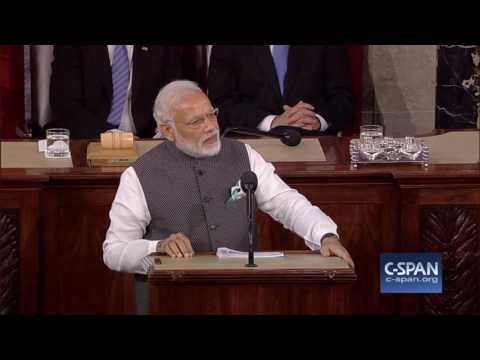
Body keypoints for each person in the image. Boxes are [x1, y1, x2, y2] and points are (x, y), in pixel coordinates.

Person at [103, 80, 354, 276]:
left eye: (212, 114)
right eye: (196, 121)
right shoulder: (139, 174)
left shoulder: (243, 154)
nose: (211, 126)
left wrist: (325, 235)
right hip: (171, 295)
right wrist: (156, 247)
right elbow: (114, 251)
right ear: (168, 130)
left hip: (240, 290)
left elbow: (287, 202)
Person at [208, 45, 354, 136]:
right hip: (253, 144)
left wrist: (317, 120)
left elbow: (343, 97)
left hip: (315, 142)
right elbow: (221, 105)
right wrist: (272, 122)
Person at [48, 45, 182, 139]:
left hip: (147, 142)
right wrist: (112, 136)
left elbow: (176, 95)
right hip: (90, 140)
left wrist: (166, 125)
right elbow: (65, 106)